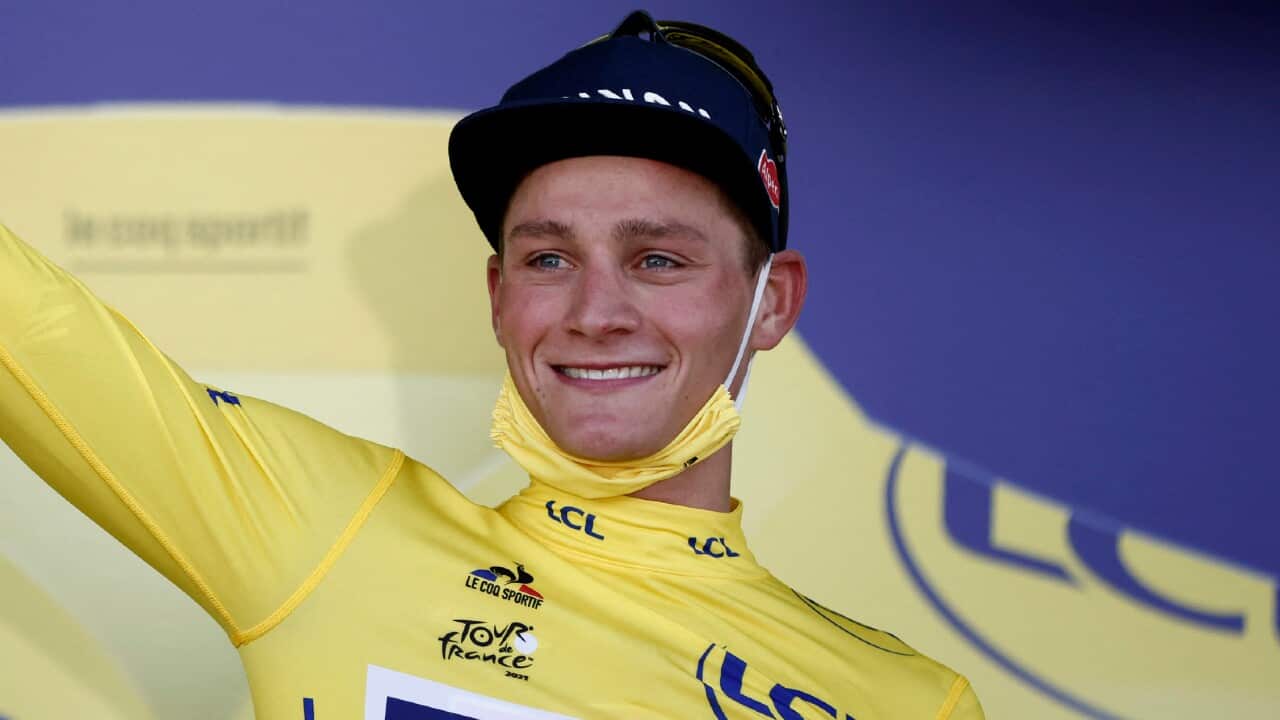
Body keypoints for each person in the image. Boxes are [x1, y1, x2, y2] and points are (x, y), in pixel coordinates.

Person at [0, 10, 983, 719]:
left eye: (657, 259)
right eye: (547, 258)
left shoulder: (905, 702)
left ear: (771, 301)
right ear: (496, 295)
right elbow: (28, 327)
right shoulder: (323, 532)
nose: (595, 313)